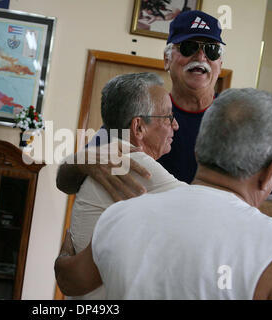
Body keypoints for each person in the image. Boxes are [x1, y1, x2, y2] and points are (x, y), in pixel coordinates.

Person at [56, 10, 272, 222]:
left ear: (220, 63)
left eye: (211, 50)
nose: (201, 57)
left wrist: (238, 207)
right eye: (189, 47)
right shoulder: (141, 113)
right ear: (166, 59)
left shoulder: (247, 120)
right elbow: (66, 181)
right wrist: (82, 161)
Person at [55, 88, 272, 299]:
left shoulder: (118, 216)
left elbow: (70, 280)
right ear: (270, 173)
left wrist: (66, 251)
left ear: (198, 151)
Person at [69, 72, 185, 299]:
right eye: (168, 117)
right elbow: (210, 209)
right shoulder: (132, 162)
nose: (176, 125)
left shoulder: (111, 156)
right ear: (139, 128)